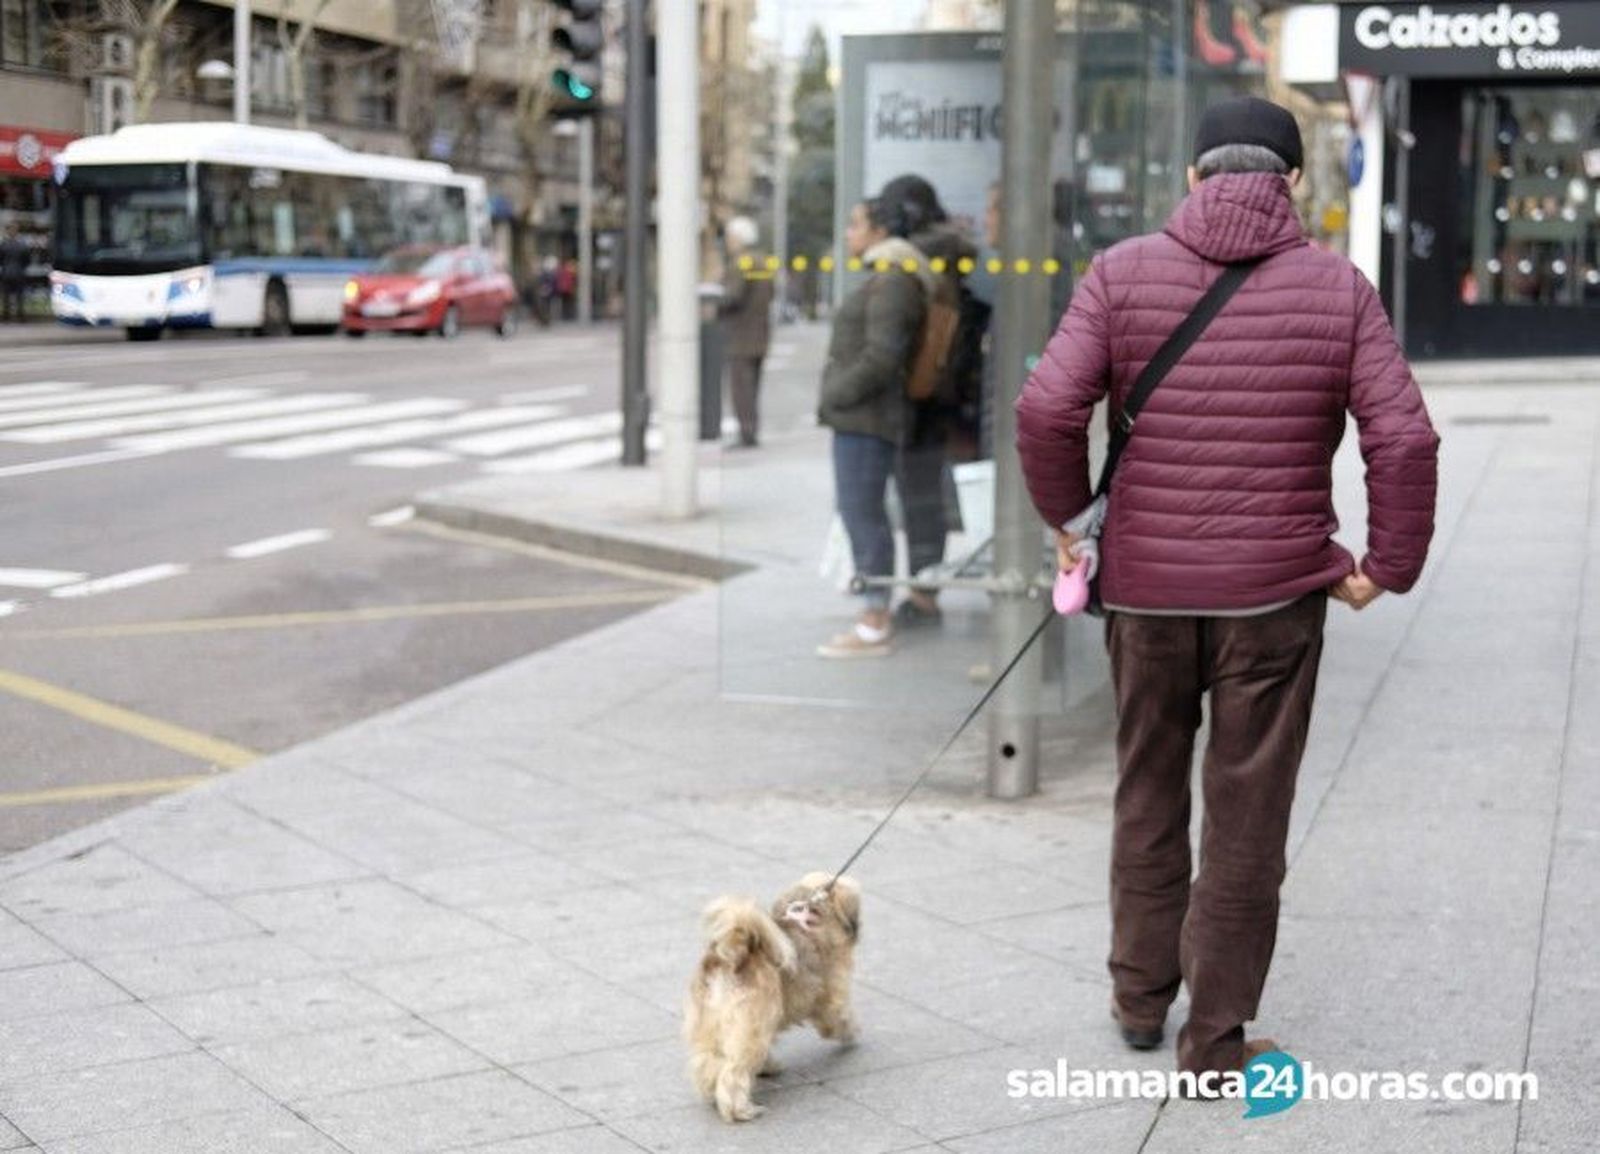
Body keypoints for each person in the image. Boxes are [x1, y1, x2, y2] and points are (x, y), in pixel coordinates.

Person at [1015, 96, 1440, 1084]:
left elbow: (1046, 407)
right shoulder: (1338, 288)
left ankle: (1135, 994)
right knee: (1246, 815)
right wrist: (1389, 562)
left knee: (1146, 788)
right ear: (1292, 181)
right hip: (1274, 602)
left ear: (1195, 178)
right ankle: (1212, 1044)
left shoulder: (1119, 273)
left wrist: (1072, 520)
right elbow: (1404, 435)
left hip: (1147, 597)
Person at [815, 198, 933, 659]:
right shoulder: (889, 276)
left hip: (867, 417)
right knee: (861, 510)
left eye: (856, 224)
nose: (849, 233)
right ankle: (873, 610)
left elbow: (882, 357)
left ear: (881, 231)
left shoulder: (893, 280)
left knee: (862, 511)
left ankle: (874, 620)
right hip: (864, 416)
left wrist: (836, 394)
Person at [874, 174, 982, 628]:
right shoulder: (947, 254)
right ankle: (924, 586)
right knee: (924, 495)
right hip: (943, 393)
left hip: (921, 395)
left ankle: (923, 592)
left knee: (918, 496)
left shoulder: (920, 258)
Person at [718, 216, 773, 448]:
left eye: (731, 237)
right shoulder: (764, 262)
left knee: (741, 387)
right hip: (760, 332)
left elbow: (733, 296)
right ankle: (751, 429)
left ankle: (746, 433)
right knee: (753, 386)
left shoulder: (740, 264)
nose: (728, 242)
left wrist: (716, 301)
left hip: (740, 334)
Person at [1, 225, 29, 323]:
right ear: (17, 232)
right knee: (19, 296)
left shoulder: (4, 244)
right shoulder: (22, 245)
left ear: (8, 232)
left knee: (6, 296)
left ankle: (6, 317)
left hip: (6, 273)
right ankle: (20, 316)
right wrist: (21, 267)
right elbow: (27, 260)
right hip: (19, 272)